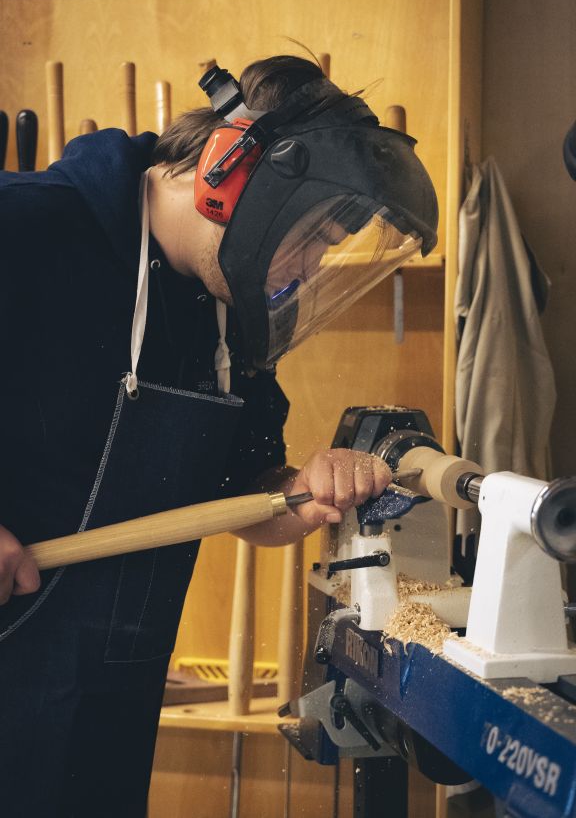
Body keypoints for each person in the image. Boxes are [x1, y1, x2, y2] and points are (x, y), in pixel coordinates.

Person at [0, 54, 438, 816]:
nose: (302, 270)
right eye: (305, 237)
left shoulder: (231, 319)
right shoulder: (28, 227)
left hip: (108, 711)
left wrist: (303, 493)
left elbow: (246, 491)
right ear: (226, 178)